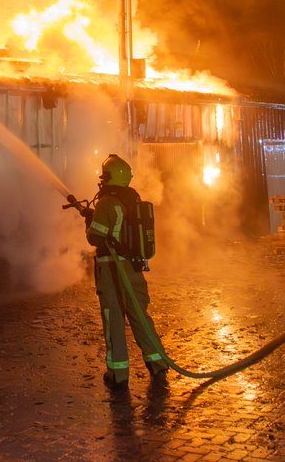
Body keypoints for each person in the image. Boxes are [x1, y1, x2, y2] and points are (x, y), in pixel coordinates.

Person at [82, 154, 170, 391]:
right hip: (132, 268)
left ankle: (118, 373)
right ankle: (158, 363)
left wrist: (89, 221)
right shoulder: (133, 200)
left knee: (113, 318)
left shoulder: (106, 203)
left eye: (105, 176)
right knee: (140, 315)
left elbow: (95, 237)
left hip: (111, 269)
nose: (102, 180)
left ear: (112, 177)